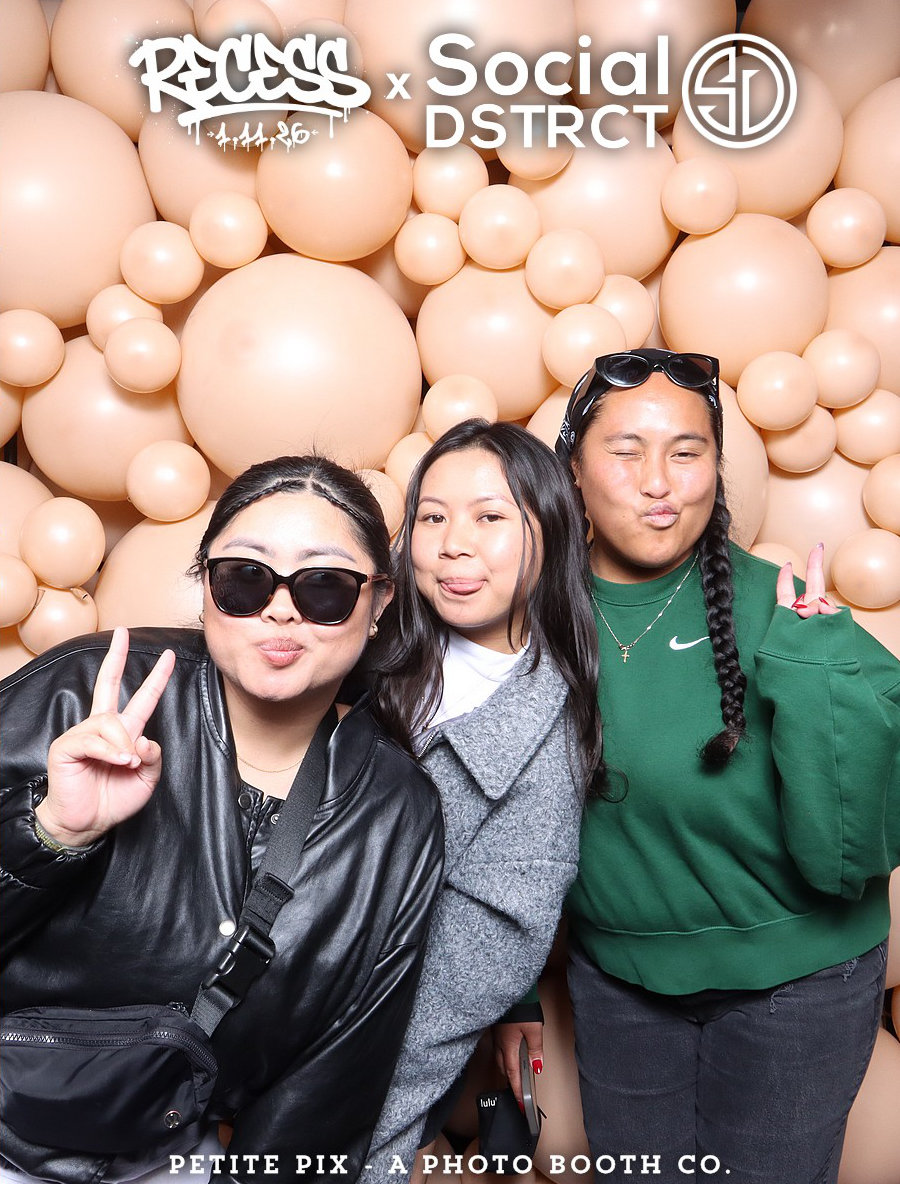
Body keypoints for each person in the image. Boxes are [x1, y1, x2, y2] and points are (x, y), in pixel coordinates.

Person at [499, 348, 900, 1184]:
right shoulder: (526, 621)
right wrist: (513, 992)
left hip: (799, 983)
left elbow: (851, 858)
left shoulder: (787, 609)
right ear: (572, 472)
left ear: (716, 471)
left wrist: (817, 673)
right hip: (619, 984)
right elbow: (491, 832)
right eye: (626, 451)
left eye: (687, 452)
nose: (660, 483)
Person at [0, 456, 445, 1184]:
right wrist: (51, 834)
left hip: (176, 1159)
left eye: (325, 586)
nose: (281, 611)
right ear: (205, 587)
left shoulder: (398, 814)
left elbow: (331, 1086)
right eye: (245, 578)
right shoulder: (86, 692)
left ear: (378, 602)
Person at [366, 419, 605, 1177]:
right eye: (432, 516)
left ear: (551, 532)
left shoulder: (550, 730)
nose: (453, 545)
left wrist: (514, 996)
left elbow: (483, 942)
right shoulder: (355, 644)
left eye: (490, 516)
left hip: (366, 1063)